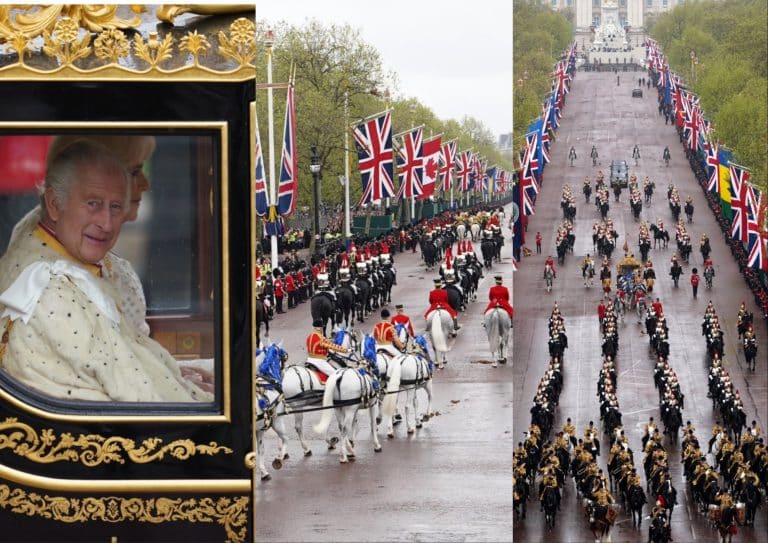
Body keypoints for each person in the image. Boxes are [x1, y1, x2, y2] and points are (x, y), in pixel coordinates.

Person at [0, 140, 212, 402]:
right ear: (54, 204)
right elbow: (142, 401)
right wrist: (202, 398)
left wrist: (180, 379)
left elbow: (127, 360)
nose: (107, 223)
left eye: (115, 207)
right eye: (93, 204)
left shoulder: (65, 251)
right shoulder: (54, 293)